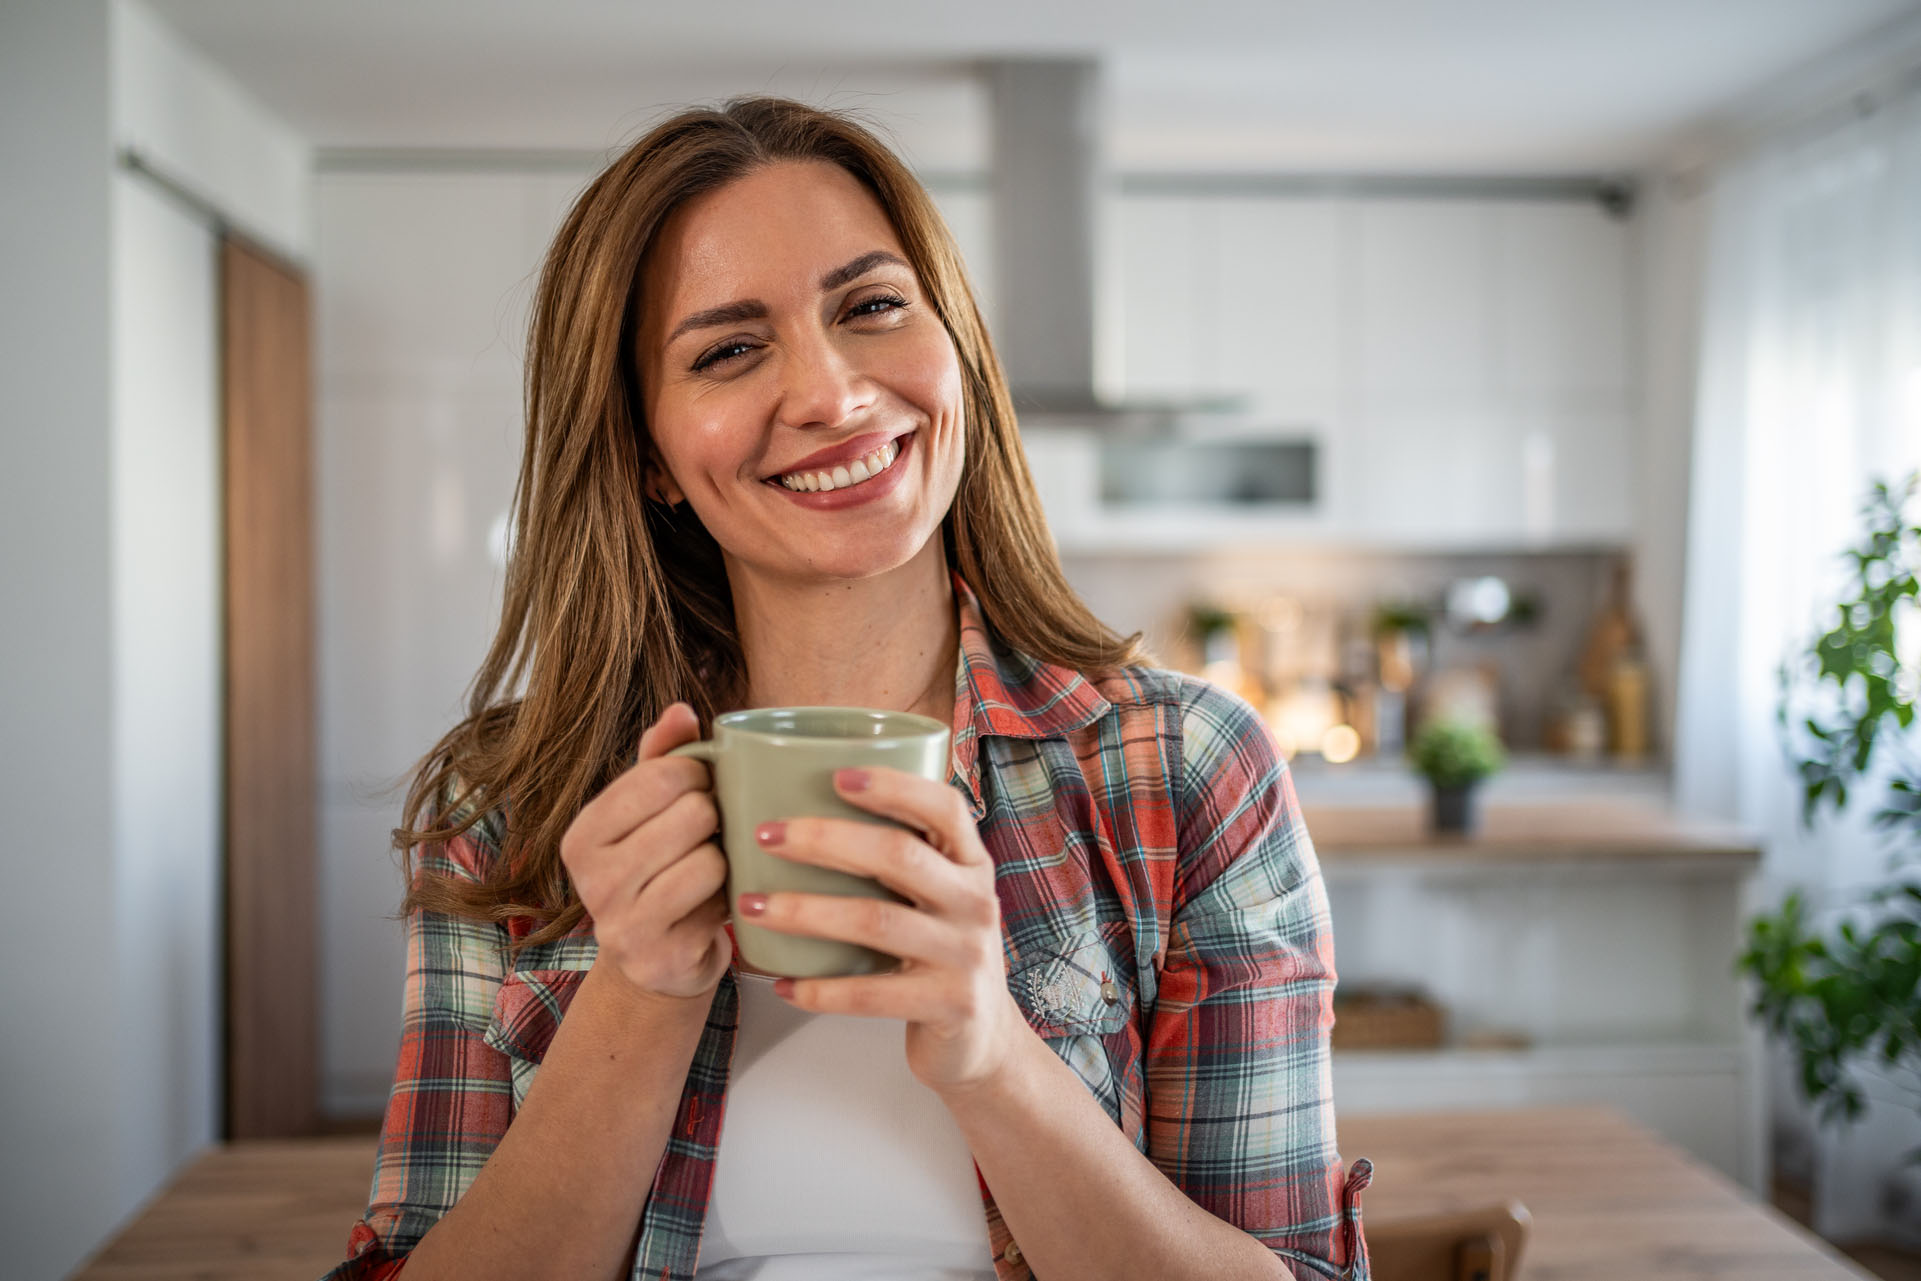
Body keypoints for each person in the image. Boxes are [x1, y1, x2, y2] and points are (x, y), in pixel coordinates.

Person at [322, 96, 1371, 1281]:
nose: (830, 394)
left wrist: (994, 1059)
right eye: (727, 349)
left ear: (955, 343)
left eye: (871, 307)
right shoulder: (505, 805)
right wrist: (636, 994)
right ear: (647, 457)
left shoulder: (1185, 768)